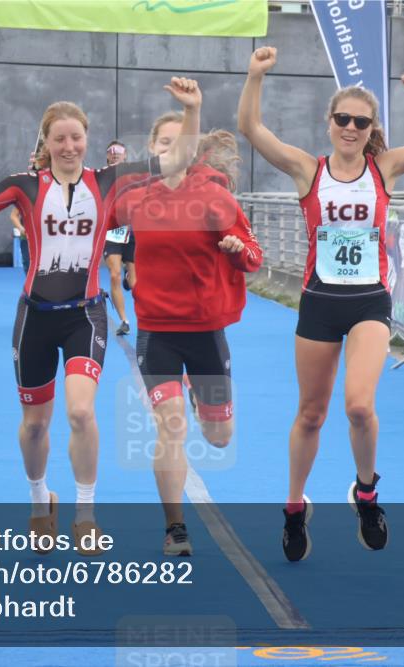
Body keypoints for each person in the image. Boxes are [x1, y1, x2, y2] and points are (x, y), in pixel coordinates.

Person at [0, 77, 202, 556]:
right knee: (35, 426)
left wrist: (191, 110)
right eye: (59, 138)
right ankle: (40, 500)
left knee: (82, 412)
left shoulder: (107, 181)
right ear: (45, 143)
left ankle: (86, 513)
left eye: (76, 138)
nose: (69, 146)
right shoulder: (25, 186)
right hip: (35, 318)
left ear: (87, 139)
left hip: (85, 315)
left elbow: (177, 160)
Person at [238, 47, 404, 559]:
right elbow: (250, 126)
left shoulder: (384, 169)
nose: (351, 127)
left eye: (361, 122)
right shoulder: (307, 171)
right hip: (320, 300)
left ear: (370, 128)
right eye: (343, 119)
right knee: (311, 414)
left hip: (369, 302)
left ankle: (366, 494)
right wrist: (255, 75)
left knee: (360, 407)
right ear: (329, 123)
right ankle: (295, 509)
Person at [117, 121, 263, 556]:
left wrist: (239, 251)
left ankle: (202, 400)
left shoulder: (214, 197)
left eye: (182, 143)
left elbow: (254, 255)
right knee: (172, 427)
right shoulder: (137, 198)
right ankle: (175, 528)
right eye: (164, 141)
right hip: (157, 332)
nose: (172, 149)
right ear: (152, 147)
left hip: (205, 333)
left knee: (219, 436)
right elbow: (95, 226)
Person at [102, 139, 134, 335]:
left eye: (118, 150)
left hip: (133, 230)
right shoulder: (101, 177)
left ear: (126, 155)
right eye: (111, 151)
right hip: (113, 231)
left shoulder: (135, 176)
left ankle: (129, 277)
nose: (114, 153)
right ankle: (124, 320)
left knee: (135, 282)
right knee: (114, 274)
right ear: (107, 156)